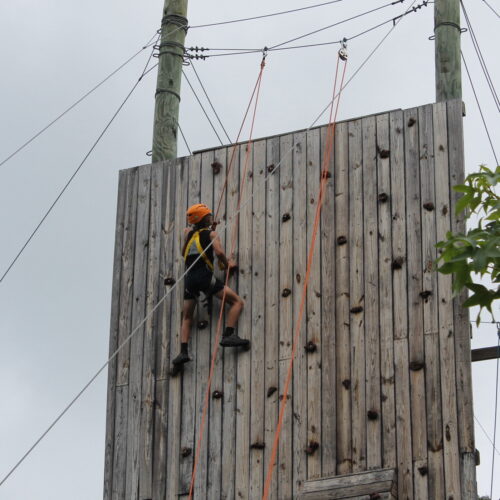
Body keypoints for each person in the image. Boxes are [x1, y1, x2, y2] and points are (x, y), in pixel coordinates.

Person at [172, 203, 250, 367]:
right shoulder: (212, 234)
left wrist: (208, 230)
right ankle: (228, 334)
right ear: (205, 218)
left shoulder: (187, 233)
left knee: (187, 317)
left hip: (189, 279)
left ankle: (183, 352)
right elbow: (219, 252)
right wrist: (227, 264)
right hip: (204, 277)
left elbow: (185, 250)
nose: (211, 217)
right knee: (237, 302)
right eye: (209, 215)